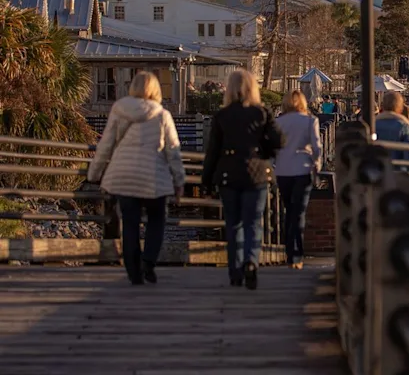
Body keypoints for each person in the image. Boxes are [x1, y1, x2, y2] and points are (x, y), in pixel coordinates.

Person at [87, 71, 185, 286]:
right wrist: (179, 181)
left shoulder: (119, 109)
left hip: (124, 176)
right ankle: (148, 261)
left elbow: (106, 145)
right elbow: (173, 152)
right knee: (157, 221)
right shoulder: (162, 115)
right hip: (154, 178)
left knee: (130, 224)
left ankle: (133, 271)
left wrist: (94, 173)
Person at [202, 70, 284, 290]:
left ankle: (235, 270)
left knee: (234, 223)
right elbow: (279, 140)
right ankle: (251, 260)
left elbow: (213, 151)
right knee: (253, 222)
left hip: (229, 172)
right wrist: (264, 151)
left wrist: (206, 181)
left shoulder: (222, 116)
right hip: (256, 171)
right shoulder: (262, 113)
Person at [274, 90, 323, 270]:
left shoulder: (278, 123)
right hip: (302, 169)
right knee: (299, 212)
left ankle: (290, 253)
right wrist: (317, 164)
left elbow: (274, 147)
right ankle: (297, 254)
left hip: (283, 170)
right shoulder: (310, 121)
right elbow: (317, 146)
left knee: (289, 210)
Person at [375, 91, 409, 160]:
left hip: (377, 168)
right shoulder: (404, 127)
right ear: (400, 108)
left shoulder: (373, 125)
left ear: (383, 106)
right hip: (398, 168)